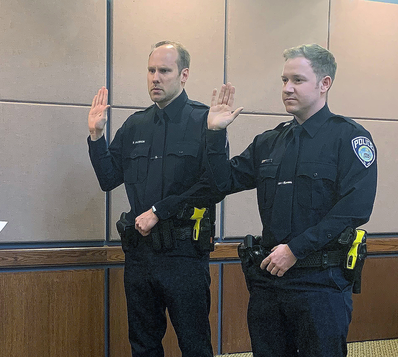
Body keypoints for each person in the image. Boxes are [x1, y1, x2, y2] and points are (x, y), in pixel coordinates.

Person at [205, 44, 377, 356]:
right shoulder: (269, 142)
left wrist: (296, 250)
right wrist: (215, 136)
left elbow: (354, 210)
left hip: (320, 284)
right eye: (284, 80)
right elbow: (221, 183)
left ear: (324, 84)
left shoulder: (348, 138)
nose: (287, 89)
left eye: (297, 80)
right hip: (270, 283)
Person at [87, 41, 224, 357]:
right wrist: (96, 137)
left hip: (184, 255)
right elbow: (109, 179)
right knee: (143, 345)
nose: (155, 78)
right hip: (141, 256)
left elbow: (213, 186)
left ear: (183, 75)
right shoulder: (136, 123)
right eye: (151, 70)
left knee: (194, 344)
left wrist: (159, 211)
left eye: (164, 71)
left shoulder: (205, 121)